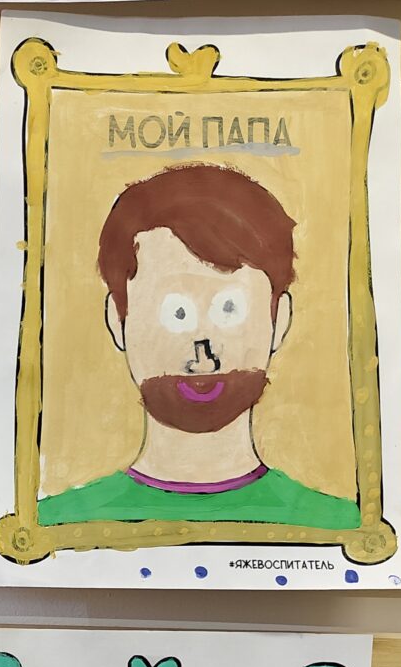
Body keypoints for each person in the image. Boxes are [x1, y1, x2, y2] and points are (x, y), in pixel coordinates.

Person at [38, 164, 358, 530]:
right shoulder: (58, 527)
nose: (203, 355)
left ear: (279, 320)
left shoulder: (334, 527)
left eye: (229, 309)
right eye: (175, 313)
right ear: (118, 321)